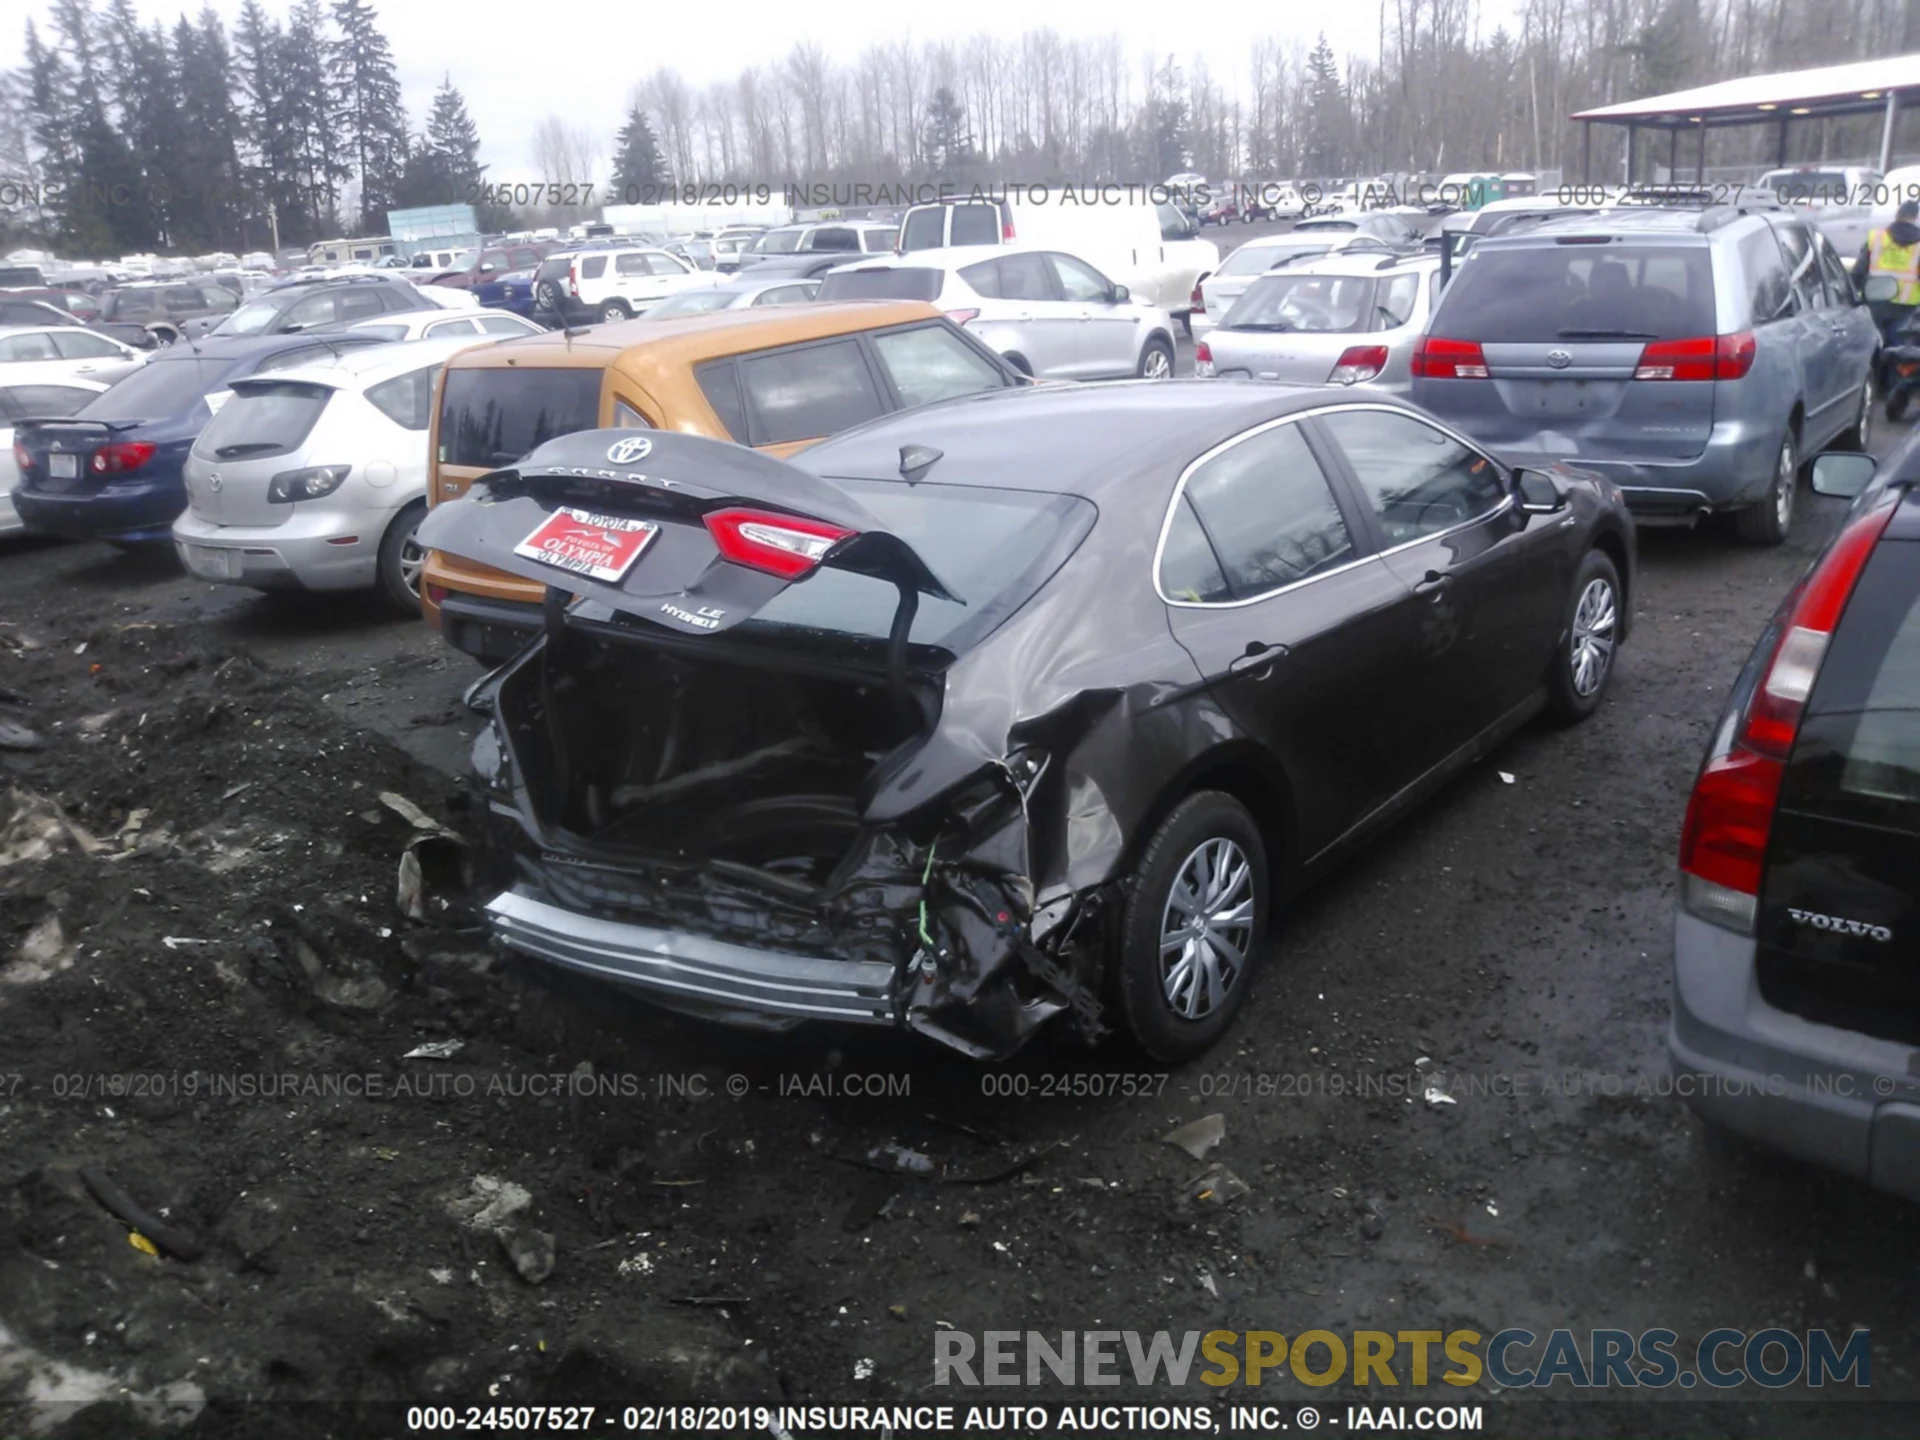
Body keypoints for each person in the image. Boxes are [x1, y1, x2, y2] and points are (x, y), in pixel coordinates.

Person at [1856, 199, 1920, 344]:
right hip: (1909, 306)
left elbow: (1859, 271)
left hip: (1877, 301)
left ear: (1897, 215)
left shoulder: (1876, 237)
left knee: (1874, 346)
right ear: (1916, 218)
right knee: (1903, 351)